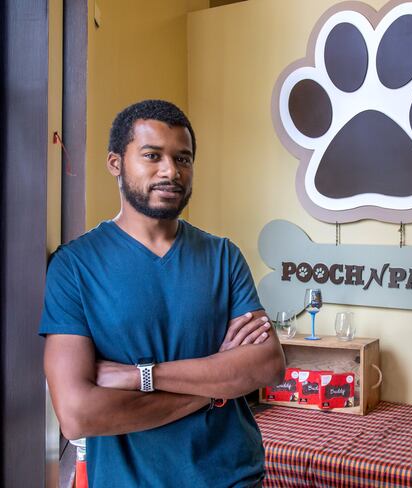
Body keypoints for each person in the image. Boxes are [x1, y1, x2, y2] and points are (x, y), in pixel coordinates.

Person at [40, 99, 286, 487]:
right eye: (152, 156)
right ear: (115, 163)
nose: (171, 171)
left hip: (233, 476)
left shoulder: (223, 255)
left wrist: (141, 376)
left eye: (183, 159)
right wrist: (215, 389)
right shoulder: (74, 267)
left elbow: (266, 366)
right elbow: (78, 415)